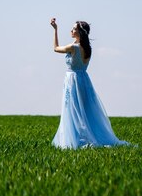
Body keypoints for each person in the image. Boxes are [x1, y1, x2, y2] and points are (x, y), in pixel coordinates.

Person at [50, 18, 131, 149]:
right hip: (84, 80)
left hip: (73, 81)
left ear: (80, 33)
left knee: (72, 110)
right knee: (84, 111)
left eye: (74, 29)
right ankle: (84, 137)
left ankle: (73, 140)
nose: (71, 30)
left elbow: (55, 48)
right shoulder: (87, 48)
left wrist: (55, 30)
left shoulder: (73, 47)